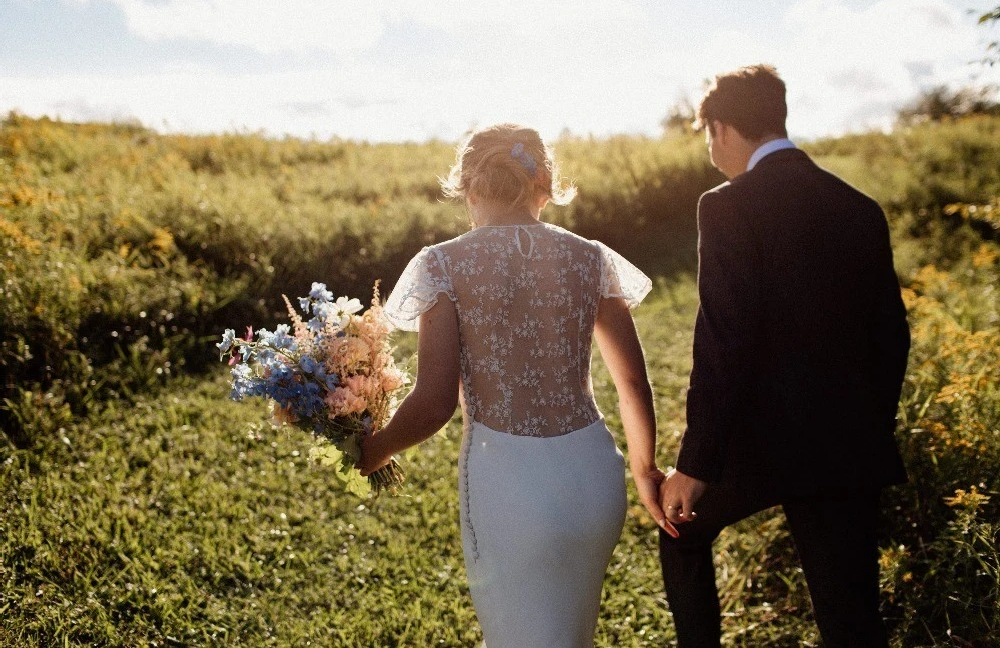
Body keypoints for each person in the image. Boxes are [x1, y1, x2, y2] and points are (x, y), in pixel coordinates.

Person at [357, 123, 674, 647]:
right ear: (544, 184)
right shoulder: (590, 257)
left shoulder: (443, 264)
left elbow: (435, 403)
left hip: (510, 484)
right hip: (594, 478)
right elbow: (634, 385)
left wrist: (376, 448)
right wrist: (645, 472)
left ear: (469, 189)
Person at [657, 64, 910, 647]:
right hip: (846, 443)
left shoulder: (726, 205)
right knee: (850, 618)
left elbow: (723, 338)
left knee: (680, 532)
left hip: (761, 449)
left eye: (706, 135)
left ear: (721, 129)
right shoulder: (859, 206)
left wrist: (696, 464)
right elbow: (892, 335)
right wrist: (870, 424)